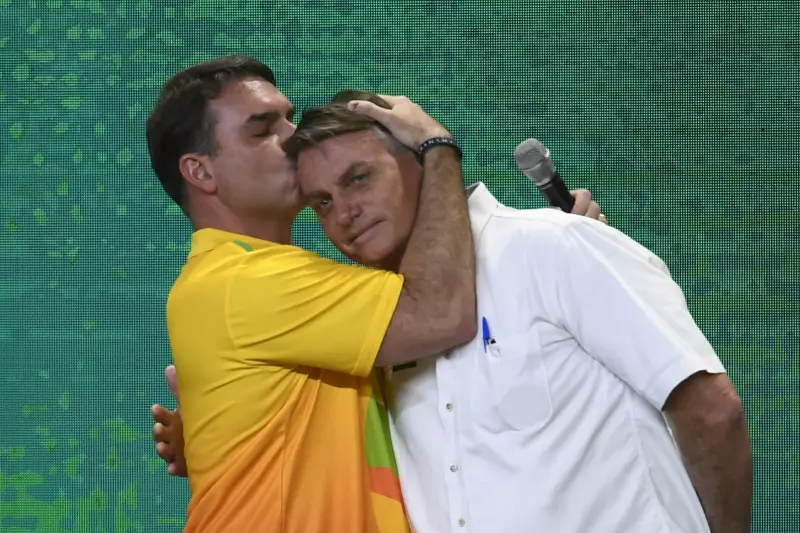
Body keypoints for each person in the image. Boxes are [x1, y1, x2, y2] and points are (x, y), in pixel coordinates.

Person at [155, 92, 752, 533]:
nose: (344, 213)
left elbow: (711, 410)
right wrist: (216, 434)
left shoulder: (551, 246)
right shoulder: (373, 324)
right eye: (323, 202)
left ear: (419, 162)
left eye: (359, 179)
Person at [145, 54, 478, 533]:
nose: (292, 137)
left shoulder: (242, 279)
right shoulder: (248, 281)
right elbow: (440, 313)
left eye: (289, 119)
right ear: (201, 172)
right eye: (262, 130)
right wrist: (437, 147)